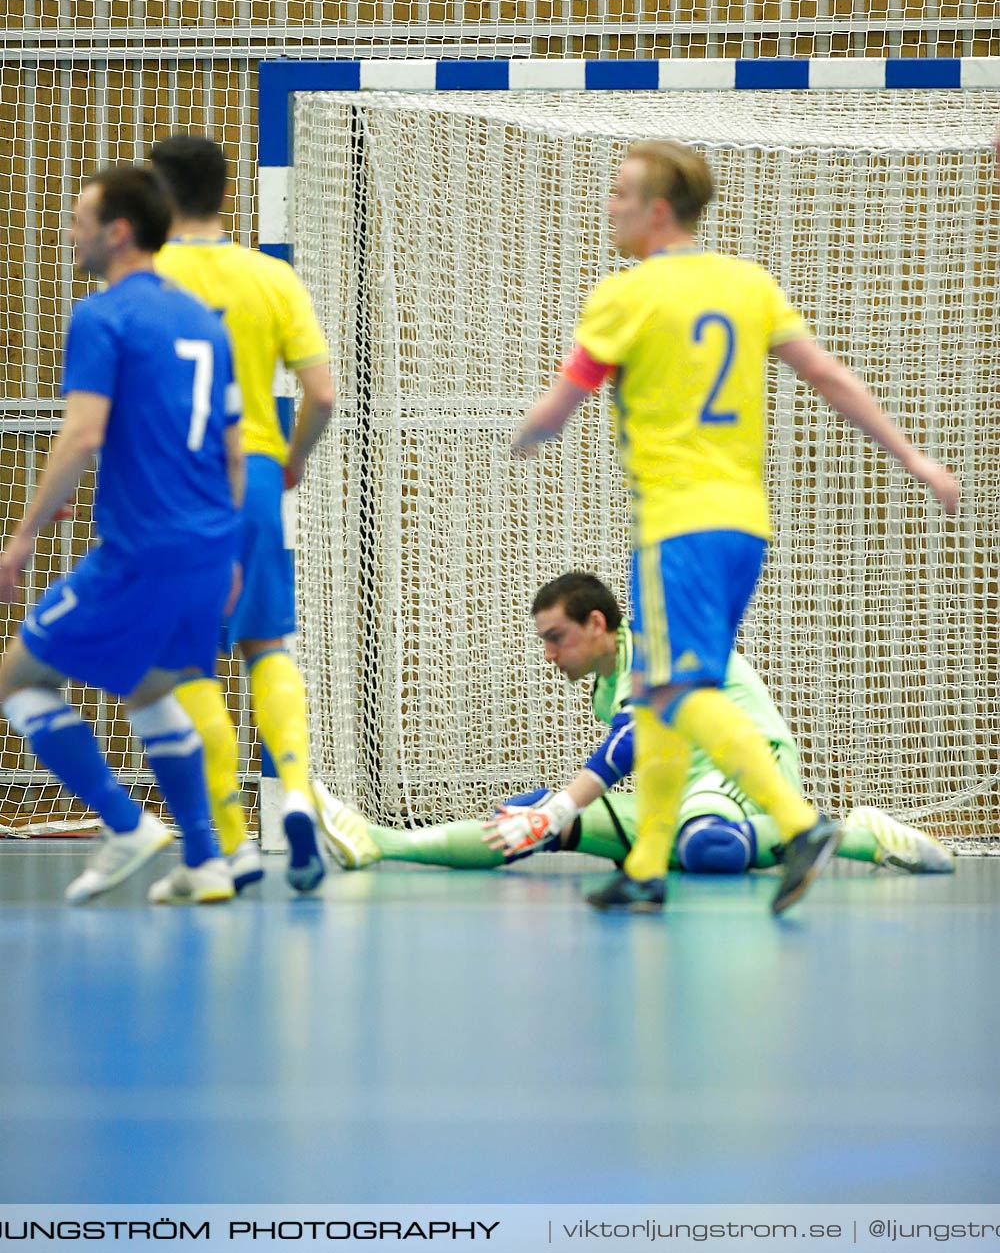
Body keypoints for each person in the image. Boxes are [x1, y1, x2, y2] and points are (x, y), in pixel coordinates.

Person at [511, 140, 959, 913]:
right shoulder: (747, 284)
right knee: (655, 698)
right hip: (743, 526)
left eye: (622, 193)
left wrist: (524, 434)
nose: (610, 205)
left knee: (677, 692)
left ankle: (798, 822)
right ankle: (647, 865)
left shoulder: (625, 296)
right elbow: (825, 373)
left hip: (675, 525)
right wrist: (912, 456)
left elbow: (561, 402)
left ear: (657, 210)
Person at [312, 573, 954, 880]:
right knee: (527, 822)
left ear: (598, 625)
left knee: (706, 849)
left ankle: (845, 833)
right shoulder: (607, 683)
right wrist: (550, 814)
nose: (550, 655)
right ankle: (379, 841)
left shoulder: (655, 645)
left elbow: (632, 742)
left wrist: (565, 805)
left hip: (744, 772)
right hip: (682, 788)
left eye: (556, 638)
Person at [0, 166, 244, 904]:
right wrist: (229, 551)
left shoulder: (102, 316)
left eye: (79, 219)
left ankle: (120, 820)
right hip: (209, 547)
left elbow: (81, 436)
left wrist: (21, 539)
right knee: (149, 689)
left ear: (118, 232)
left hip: (145, 551)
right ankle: (205, 859)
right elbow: (234, 452)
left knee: (18, 677)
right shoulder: (204, 319)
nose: (69, 233)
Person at [151, 135, 334, 893]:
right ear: (227, 192)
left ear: (159, 195)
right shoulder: (271, 277)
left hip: (177, 483)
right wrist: (289, 461)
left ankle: (231, 842)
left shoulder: (144, 280)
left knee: (185, 662)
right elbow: (322, 394)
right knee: (267, 644)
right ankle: (294, 791)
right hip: (256, 473)